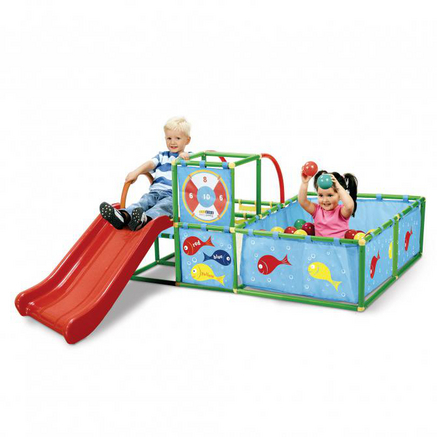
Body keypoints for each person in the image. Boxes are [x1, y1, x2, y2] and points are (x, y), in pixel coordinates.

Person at [100, 117, 192, 231]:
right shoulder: (162, 156)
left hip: (172, 197)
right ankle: (123, 217)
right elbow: (150, 164)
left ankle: (144, 220)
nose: (172, 142)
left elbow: (193, 173)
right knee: (142, 202)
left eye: (177, 138)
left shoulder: (189, 157)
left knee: (161, 207)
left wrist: (186, 158)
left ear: (187, 140)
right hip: (154, 192)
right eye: (169, 138)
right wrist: (136, 172)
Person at [298, 168, 358, 238]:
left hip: (339, 245)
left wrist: (338, 187)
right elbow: (303, 201)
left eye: (329, 195)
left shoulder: (341, 212)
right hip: (320, 245)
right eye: (321, 195)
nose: (325, 200)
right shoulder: (317, 211)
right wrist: (304, 183)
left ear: (340, 196)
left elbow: (349, 206)